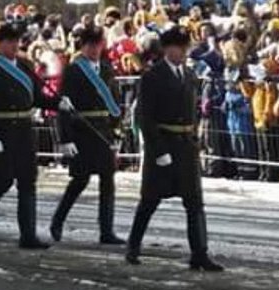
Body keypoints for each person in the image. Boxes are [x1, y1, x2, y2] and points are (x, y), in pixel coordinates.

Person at [126, 26, 224, 271]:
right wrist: (158, 151)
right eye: (177, 48)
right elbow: (146, 118)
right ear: (167, 49)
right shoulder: (153, 76)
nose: (181, 52)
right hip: (164, 143)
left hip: (185, 147)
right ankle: (133, 245)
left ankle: (199, 253)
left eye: (184, 48)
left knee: (194, 203)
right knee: (150, 200)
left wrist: (195, 138)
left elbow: (192, 109)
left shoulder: (189, 75)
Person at [0, 24, 73, 249]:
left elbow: (35, 97)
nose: (14, 46)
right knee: (1, 181)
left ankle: (28, 235)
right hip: (2, 130)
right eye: (9, 42)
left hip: (24, 131)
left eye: (16, 41)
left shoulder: (24, 67)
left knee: (28, 182)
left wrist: (57, 102)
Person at [50, 26, 125, 245]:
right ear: (83, 47)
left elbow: (115, 100)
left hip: (102, 130)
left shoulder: (106, 69)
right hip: (82, 131)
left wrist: (116, 129)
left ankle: (106, 230)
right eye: (90, 45)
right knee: (80, 181)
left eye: (97, 45)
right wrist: (65, 139)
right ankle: (58, 219)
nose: (94, 49)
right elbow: (63, 106)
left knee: (107, 180)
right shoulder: (73, 70)